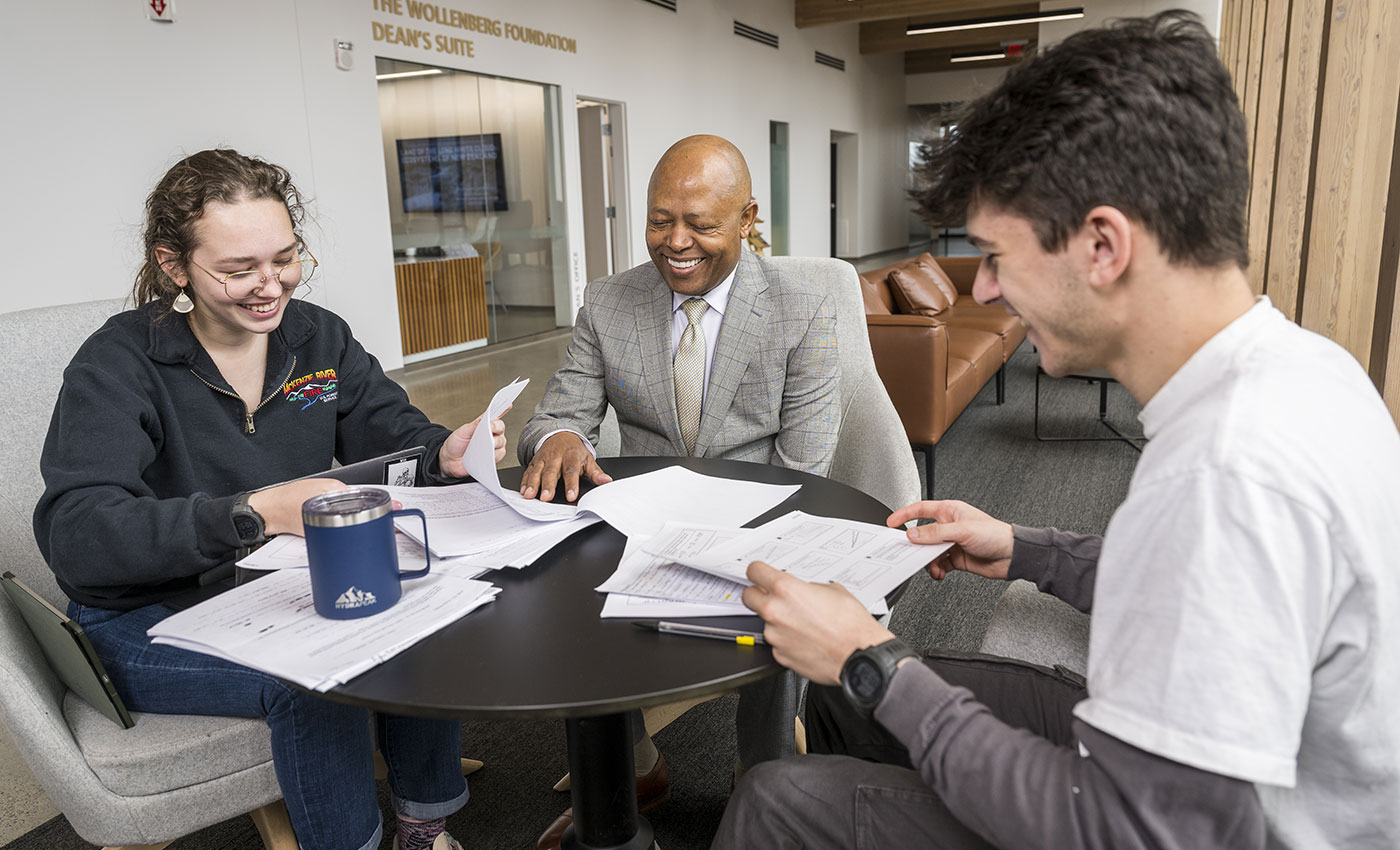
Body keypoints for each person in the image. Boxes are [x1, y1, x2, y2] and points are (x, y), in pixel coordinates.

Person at [713, 11, 1399, 850]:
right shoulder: (1302, 368)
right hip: (1223, 764)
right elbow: (1190, 588)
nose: (985, 290)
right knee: (840, 698)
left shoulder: (1224, 472)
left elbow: (1131, 830)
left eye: (998, 256)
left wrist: (873, 661)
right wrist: (1022, 548)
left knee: (776, 798)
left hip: (1222, 828)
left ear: (1103, 246)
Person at [33, 149, 509, 850]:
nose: (270, 285)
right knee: (311, 684)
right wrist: (253, 512)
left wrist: (443, 452)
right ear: (174, 265)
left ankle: (423, 824)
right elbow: (78, 534)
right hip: (139, 617)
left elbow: (393, 432)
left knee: (418, 614)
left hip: (267, 587)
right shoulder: (119, 362)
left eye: (285, 259)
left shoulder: (317, 337)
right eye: (238, 269)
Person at [517, 134, 841, 849]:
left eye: (701, 224)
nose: (676, 242)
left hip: (761, 519)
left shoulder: (804, 308)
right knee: (564, 576)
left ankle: (763, 776)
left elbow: (806, 470)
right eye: (661, 220)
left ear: (748, 219)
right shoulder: (610, 301)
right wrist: (559, 438)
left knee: (780, 589)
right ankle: (631, 769)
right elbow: (555, 415)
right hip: (643, 520)